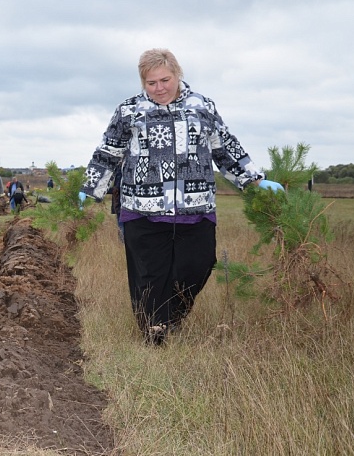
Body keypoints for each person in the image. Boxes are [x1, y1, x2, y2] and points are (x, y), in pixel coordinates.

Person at [79, 48, 283, 346]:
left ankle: (169, 319)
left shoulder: (202, 106)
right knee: (149, 276)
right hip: (142, 209)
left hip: (196, 206)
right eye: (152, 83)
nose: (160, 88)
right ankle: (154, 333)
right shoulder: (129, 111)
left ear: (178, 75)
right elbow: (108, 153)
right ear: (143, 83)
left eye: (165, 79)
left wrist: (253, 180)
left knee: (196, 267)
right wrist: (90, 188)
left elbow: (223, 147)